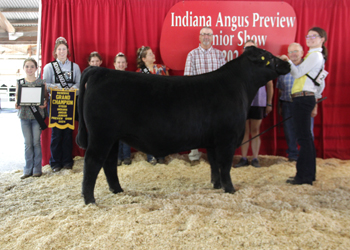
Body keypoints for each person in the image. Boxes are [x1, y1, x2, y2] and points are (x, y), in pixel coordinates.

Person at [280, 27, 327, 185]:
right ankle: (308, 174)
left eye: (315, 36)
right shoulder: (313, 56)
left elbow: (298, 73)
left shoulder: (315, 56)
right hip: (305, 98)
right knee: (306, 138)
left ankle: (303, 176)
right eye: (308, 36)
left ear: (322, 39)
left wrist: (287, 61)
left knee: (304, 138)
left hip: (303, 98)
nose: (310, 38)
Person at [184, 26, 226, 166]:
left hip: (216, 98)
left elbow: (224, 79)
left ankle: (216, 155)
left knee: (217, 126)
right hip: (198, 97)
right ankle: (194, 155)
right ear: (199, 37)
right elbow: (188, 79)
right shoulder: (192, 54)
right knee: (195, 126)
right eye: (204, 34)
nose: (206, 37)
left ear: (213, 37)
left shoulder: (220, 55)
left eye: (209, 34)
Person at [43, 37, 81, 172]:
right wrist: (55, 88)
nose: (62, 51)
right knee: (56, 134)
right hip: (55, 104)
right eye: (59, 49)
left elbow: (79, 84)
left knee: (68, 133)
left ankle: (67, 161)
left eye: (64, 49)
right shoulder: (49, 67)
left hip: (69, 104)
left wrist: (73, 90)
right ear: (55, 52)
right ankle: (55, 162)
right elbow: (45, 84)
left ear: (67, 51)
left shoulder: (74, 67)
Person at [235, 40, 273, 168]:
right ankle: (244, 158)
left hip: (258, 101)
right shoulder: (239, 65)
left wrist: (269, 103)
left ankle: (255, 158)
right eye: (246, 48)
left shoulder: (263, 64)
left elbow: (269, 84)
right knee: (244, 130)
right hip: (244, 102)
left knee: (255, 130)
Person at [15, 58, 48, 179]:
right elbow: (17, 97)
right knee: (27, 143)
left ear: (36, 68)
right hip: (24, 116)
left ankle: (37, 169)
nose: (29, 69)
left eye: (32, 66)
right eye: (27, 66)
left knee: (36, 142)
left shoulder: (41, 82)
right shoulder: (20, 82)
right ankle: (27, 168)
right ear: (24, 68)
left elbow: (45, 98)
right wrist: (16, 104)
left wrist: (44, 103)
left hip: (37, 116)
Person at [136, 46, 169, 165]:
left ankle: (161, 155)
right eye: (150, 54)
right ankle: (151, 156)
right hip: (147, 106)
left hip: (161, 104)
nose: (153, 55)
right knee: (149, 132)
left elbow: (168, 85)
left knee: (162, 130)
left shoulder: (162, 69)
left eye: (152, 53)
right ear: (144, 59)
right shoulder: (139, 73)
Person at [276, 43, 304, 162]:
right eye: (291, 52)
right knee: (289, 131)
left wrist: (315, 105)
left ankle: (304, 155)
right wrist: (279, 105)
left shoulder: (307, 67)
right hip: (287, 103)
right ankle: (292, 155)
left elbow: (315, 88)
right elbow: (280, 89)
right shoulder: (284, 69)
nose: (293, 54)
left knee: (305, 131)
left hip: (303, 104)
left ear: (302, 53)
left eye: (296, 51)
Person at [114, 52, 132, 166]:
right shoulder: (110, 77)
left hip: (126, 109)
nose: (121, 64)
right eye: (118, 62)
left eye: (123, 62)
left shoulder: (130, 77)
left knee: (126, 133)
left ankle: (126, 156)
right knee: (115, 134)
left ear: (126, 64)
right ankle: (117, 157)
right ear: (114, 64)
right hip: (114, 109)